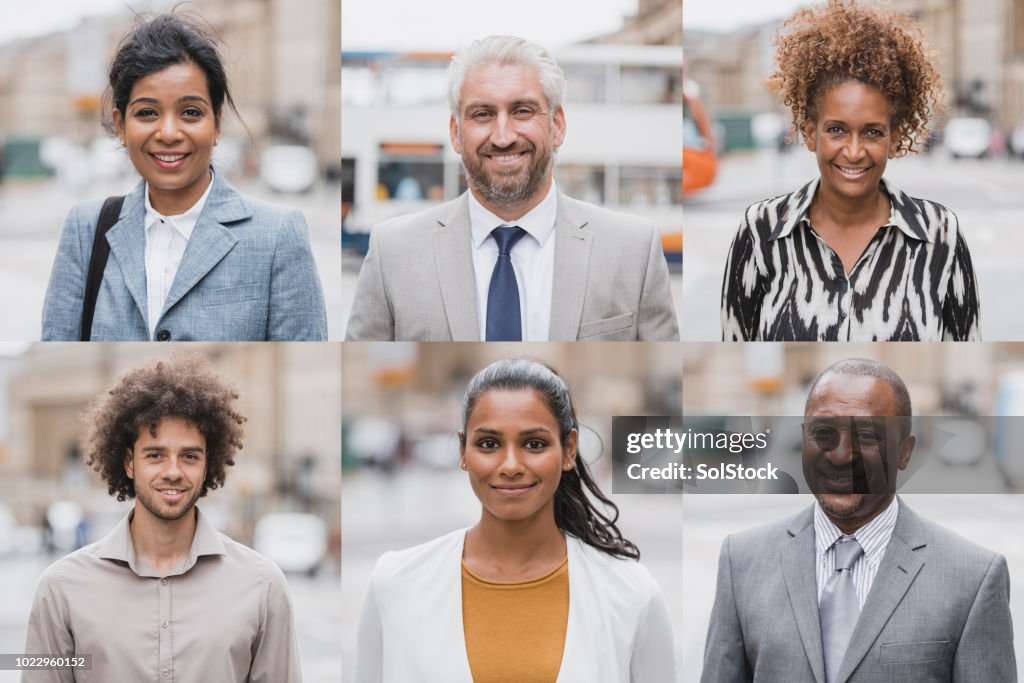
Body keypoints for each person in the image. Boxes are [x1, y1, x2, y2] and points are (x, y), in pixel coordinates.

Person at [355, 359, 677, 681]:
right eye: (489, 444)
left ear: (569, 450)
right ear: (463, 451)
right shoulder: (396, 583)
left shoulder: (631, 593)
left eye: (534, 444)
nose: (510, 465)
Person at [345, 35, 679, 341]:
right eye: (482, 114)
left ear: (557, 126)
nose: (503, 136)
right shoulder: (391, 252)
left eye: (522, 111)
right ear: (456, 133)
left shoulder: (635, 250)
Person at [701, 359, 1015, 682]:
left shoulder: (973, 579)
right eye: (823, 433)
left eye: (866, 436)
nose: (841, 455)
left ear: (906, 453)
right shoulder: (741, 562)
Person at [41, 14, 327, 341]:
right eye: (147, 112)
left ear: (217, 124)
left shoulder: (278, 235)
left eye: (190, 112)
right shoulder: (86, 227)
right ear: (120, 126)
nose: (168, 133)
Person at [23, 355, 303, 682]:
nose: (173, 471)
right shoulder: (60, 589)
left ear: (207, 464)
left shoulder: (263, 585)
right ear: (129, 463)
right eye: (155, 455)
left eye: (189, 456)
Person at [721, 0, 980, 341]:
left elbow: (964, 339)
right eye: (837, 130)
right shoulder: (760, 230)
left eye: (872, 132)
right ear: (810, 133)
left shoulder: (939, 234)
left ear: (894, 138)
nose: (854, 151)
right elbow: (735, 337)